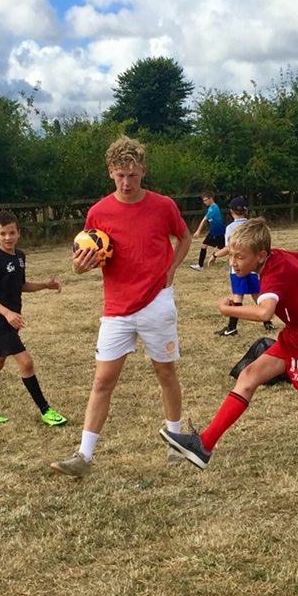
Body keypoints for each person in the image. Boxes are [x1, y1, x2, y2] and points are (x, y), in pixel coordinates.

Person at [160, 218, 298, 528]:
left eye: (240, 257)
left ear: (261, 256)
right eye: (232, 255)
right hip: (296, 334)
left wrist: (228, 310)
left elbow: (264, 312)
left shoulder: (274, 271)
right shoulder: (279, 255)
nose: (234, 262)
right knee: (248, 375)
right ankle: (204, 444)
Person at [51, 135, 193, 478]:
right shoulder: (98, 212)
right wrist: (79, 267)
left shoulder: (163, 206)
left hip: (157, 303)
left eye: (132, 174)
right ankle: (83, 457)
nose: (126, 183)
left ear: (142, 170)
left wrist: (170, 270)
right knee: (103, 380)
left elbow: (185, 237)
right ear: (110, 172)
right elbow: (81, 256)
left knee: (165, 372)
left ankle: (176, 442)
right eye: (119, 175)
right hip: (116, 309)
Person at [0, 210, 68, 427]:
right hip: (0, 320)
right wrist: (6, 312)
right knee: (26, 362)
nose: (8, 237)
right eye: (3, 233)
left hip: (12, 319)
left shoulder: (20, 257)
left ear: (18, 233)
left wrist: (45, 285)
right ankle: (46, 411)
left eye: (12, 233)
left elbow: (21, 285)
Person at [208, 196, 275, 335]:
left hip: (238, 268)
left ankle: (231, 327)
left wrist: (215, 255)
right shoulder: (252, 227)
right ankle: (267, 321)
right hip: (254, 266)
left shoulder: (231, 227)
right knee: (256, 293)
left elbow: (229, 248)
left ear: (231, 211)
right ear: (246, 210)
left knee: (238, 295)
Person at [189, 190, 225, 270]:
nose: (205, 202)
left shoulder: (213, 209)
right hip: (217, 231)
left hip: (216, 231)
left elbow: (204, 220)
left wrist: (198, 231)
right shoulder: (212, 208)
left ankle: (200, 265)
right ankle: (211, 259)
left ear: (210, 198)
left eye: (205, 200)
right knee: (221, 247)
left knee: (204, 245)